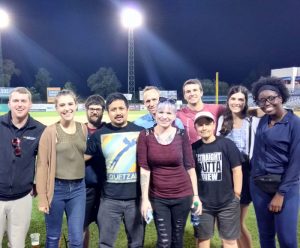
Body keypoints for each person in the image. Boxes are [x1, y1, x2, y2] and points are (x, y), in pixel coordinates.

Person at [137, 98, 201, 248]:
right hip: (158, 197)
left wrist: (196, 196)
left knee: (177, 240)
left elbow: (190, 166)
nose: (164, 116)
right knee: (164, 242)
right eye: (160, 112)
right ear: (155, 114)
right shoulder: (145, 135)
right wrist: (145, 199)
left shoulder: (181, 134)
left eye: (169, 113)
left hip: (183, 195)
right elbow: (145, 169)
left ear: (174, 116)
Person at [85, 92, 144, 248]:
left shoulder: (141, 132)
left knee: (136, 243)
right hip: (109, 199)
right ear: (108, 112)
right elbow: (82, 157)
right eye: (113, 109)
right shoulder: (99, 135)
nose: (118, 112)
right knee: (105, 244)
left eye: (121, 108)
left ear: (127, 109)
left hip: (135, 199)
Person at [250, 77, 300, 248]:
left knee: (287, 239)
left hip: (284, 187)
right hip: (259, 186)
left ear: (281, 97)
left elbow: (296, 163)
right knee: (265, 236)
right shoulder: (265, 119)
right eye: (262, 100)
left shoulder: (294, 123)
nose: (266, 103)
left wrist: (281, 194)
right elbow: (249, 111)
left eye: (271, 98)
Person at [36, 89, 87, 247]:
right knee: (53, 237)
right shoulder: (50, 131)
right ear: (56, 108)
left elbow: (81, 154)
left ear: (76, 105)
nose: (67, 108)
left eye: (70, 104)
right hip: (56, 189)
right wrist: (43, 197)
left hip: (78, 189)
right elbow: (42, 165)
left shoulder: (83, 129)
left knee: (77, 239)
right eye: (62, 105)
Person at [0, 87, 45, 248]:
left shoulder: (40, 129)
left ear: (30, 104)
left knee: (17, 244)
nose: (19, 104)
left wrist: (38, 183)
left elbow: (44, 161)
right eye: (16, 100)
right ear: (9, 103)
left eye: (23, 101)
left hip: (22, 198)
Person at [217, 85, 260, 248]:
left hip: (244, 173)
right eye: (233, 98)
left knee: (238, 223)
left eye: (241, 99)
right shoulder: (222, 119)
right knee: (225, 221)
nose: (236, 102)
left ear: (245, 102)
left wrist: (253, 110)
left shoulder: (252, 120)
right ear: (228, 100)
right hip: (225, 174)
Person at [192, 111, 242, 248]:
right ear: (195, 127)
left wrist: (237, 194)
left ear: (213, 125)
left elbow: (237, 169)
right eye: (200, 125)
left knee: (230, 241)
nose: (204, 127)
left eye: (207, 124)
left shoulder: (227, 144)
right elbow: (191, 175)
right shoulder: (194, 148)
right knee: (202, 240)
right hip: (203, 204)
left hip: (227, 202)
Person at [83, 94, 106, 248]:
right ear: (86, 110)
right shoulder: (79, 130)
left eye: (98, 109)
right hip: (84, 186)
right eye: (91, 109)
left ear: (103, 111)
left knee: (105, 227)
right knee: (81, 226)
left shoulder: (109, 129)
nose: (94, 112)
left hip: (106, 188)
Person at [177, 78, 225, 144]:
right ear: (184, 96)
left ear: (201, 93)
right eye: (188, 91)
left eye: (195, 90)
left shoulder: (216, 108)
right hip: (191, 152)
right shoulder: (179, 114)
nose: (192, 93)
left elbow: (234, 112)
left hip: (212, 152)